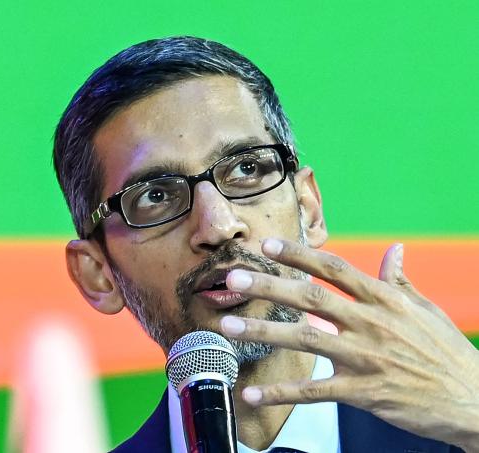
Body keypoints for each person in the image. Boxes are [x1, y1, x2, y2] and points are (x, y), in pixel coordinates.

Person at [52, 36, 478, 452]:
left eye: (247, 169)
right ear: (98, 274)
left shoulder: (455, 434)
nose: (218, 226)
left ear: (308, 209)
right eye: (156, 196)